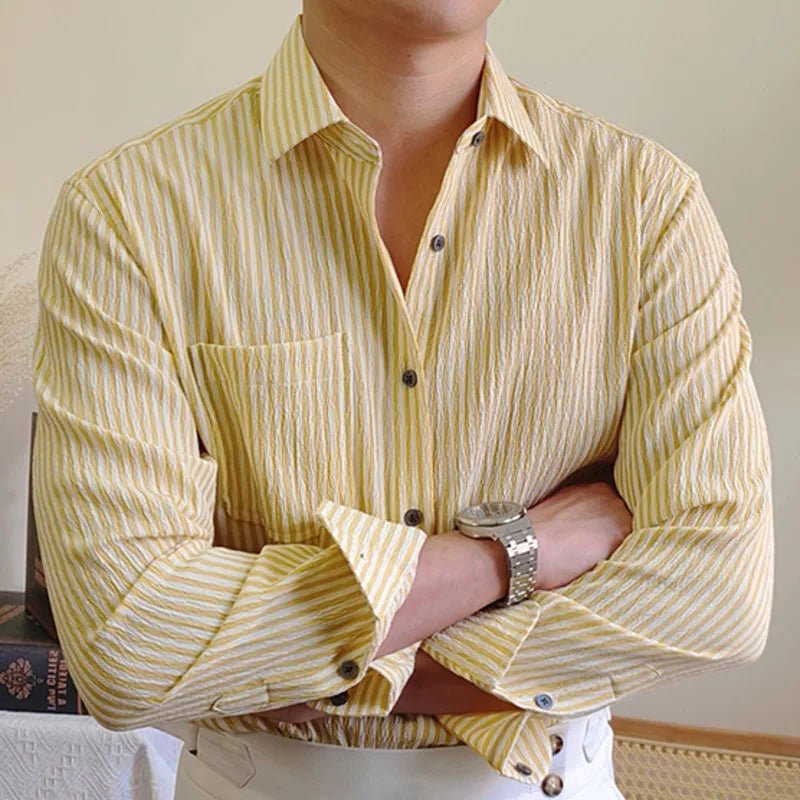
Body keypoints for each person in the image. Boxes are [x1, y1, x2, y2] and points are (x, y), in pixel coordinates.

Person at [30, 1, 774, 798]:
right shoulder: (126, 215)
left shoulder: (645, 205)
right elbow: (127, 647)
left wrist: (306, 669)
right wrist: (509, 554)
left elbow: (719, 595)